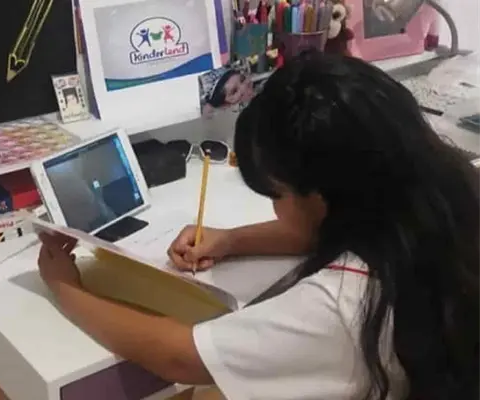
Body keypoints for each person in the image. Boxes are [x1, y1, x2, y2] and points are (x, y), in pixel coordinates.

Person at [37, 51, 480, 399]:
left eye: (277, 195)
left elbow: (179, 357)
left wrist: (65, 286)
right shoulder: (444, 197)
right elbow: (325, 230)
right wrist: (231, 241)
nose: (274, 210)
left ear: (321, 196)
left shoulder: (343, 303)